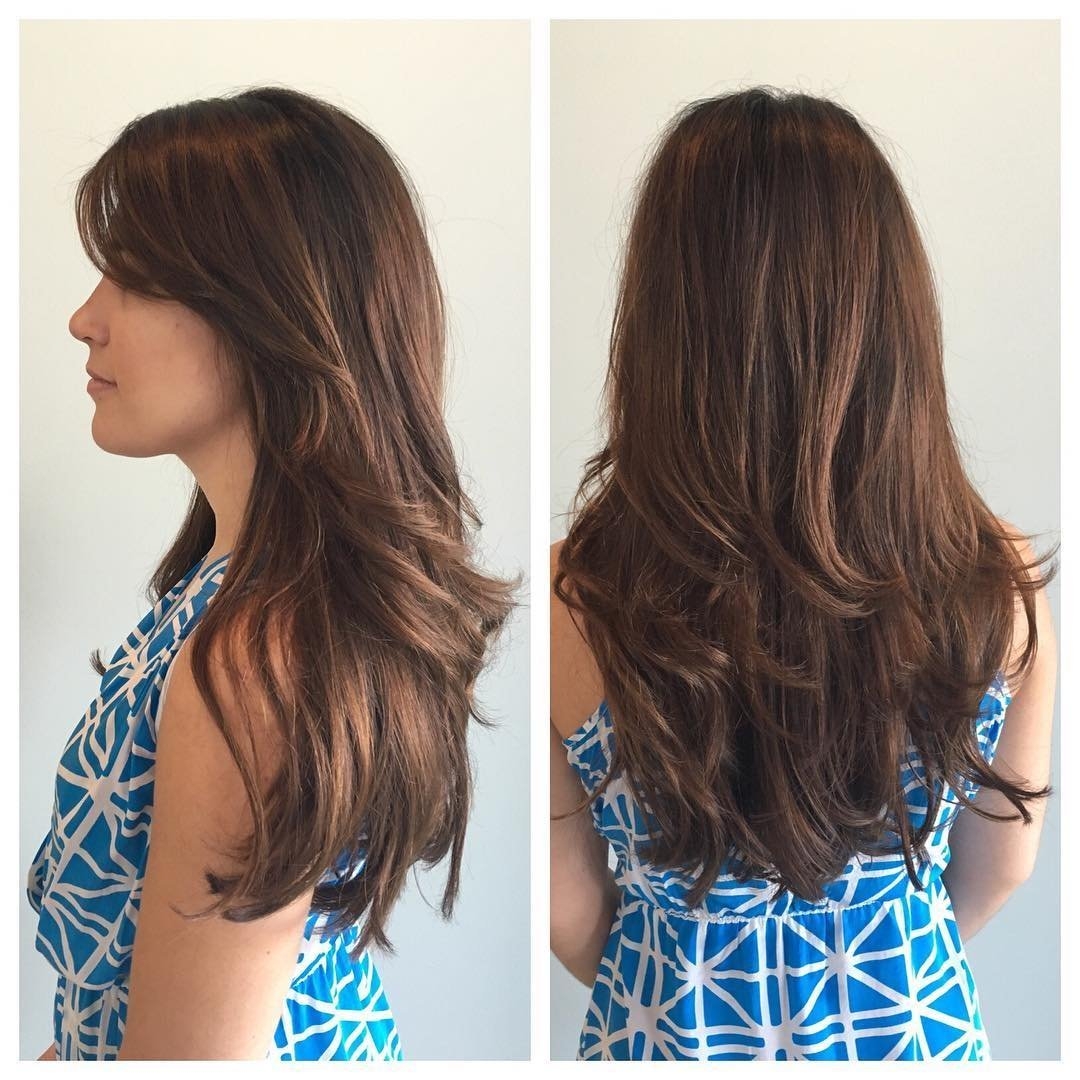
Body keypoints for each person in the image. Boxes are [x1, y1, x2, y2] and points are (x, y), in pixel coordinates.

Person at [550, 87, 1058, 1061]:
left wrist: (686, 965)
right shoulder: (994, 580)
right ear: (893, 312)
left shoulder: (582, 592)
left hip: (670, 1031)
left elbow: (571, 912)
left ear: (663, 321)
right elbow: (1000, 869)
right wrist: (881, 950)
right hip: (909, 1029)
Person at [28, 84, 517, 1060]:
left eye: (136, 279)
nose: (85, 319)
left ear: (269, 310)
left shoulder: (254, 659)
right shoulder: (237, 596)